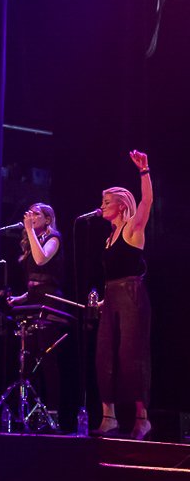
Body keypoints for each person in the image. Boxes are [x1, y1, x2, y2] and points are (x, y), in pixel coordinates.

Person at [93, 150, 153, 440]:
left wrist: (144, 171)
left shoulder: (132, 228)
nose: (102, 206)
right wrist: (105, 300)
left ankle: (142, 418)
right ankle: (109, 417)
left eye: (107, 202)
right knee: (105, 355)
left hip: (132, 297)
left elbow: (147, 201)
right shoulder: (109, 238)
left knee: (132, 356)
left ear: (121, 205)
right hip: (113, 298)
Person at [6, 203, 67, 419]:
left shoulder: (54, 238)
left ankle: (53, 411)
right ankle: (29, 410)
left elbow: (42, 260)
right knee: (28, 357)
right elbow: (35, 282)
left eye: (36, 214)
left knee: (47, 356)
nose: (30, 216)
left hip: (50, 302)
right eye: (29, 213)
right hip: (34, 300)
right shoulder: (32, 240)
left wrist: (29, 230)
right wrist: (21, 298)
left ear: (47, 219)